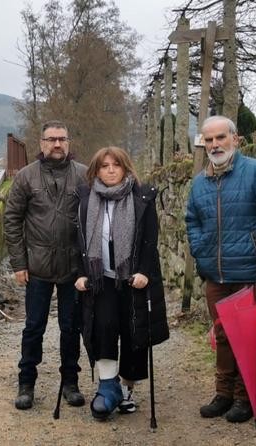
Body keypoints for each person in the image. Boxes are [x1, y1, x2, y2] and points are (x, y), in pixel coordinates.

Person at [186, 115, 256, 423]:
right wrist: (200, 250)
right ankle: (223, 394)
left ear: (235, 139)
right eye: (208, 140)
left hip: (250, 272)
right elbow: (192, 220)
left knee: (248, 338)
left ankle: (244, 397)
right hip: (216, 275)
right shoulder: (199, 182)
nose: (215, 144)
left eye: (221, 137)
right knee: (223, 335)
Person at [74, 146, 169, 420]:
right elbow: (77, 241)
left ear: (126, 168)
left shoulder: (142, 196)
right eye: (104, 166)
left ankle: (127, 390)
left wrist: (144, 272)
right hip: (100, 279)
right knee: (103, 329)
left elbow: (151, 240)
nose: (111, 170)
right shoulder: (85, 199)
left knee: (133, 334)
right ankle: (107, 387)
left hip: (132, 280)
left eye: (116, 165)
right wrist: (81, 273)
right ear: (96, 170)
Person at [4, 120, 88, 410]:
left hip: (73, 267)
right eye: (51, 139)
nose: (56, 144)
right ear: (41, 143)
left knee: (71, 326)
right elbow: (11, 219)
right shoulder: (26, 177)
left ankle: (70, 382)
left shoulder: (84, 175)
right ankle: (26, 383)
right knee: (34, 327)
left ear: (69, 142)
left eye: (62, 139)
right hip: (37, 266)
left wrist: (89, 265)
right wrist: (19, 262)